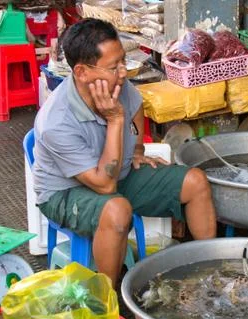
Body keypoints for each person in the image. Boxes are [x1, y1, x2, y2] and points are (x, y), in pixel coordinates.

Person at [33, 18, 217, 287]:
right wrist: (116, 121)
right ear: (82, 72)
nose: (123, 72)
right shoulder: (55, 122)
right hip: (65, 192)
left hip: (116, 172)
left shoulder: (116, 85)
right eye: (113, 66)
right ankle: (107, 299)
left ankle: (210, 274)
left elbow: (137, 104)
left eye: (123, 61)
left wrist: (138, 148)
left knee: (196, 182)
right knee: (117, 210)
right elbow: (106, 186)